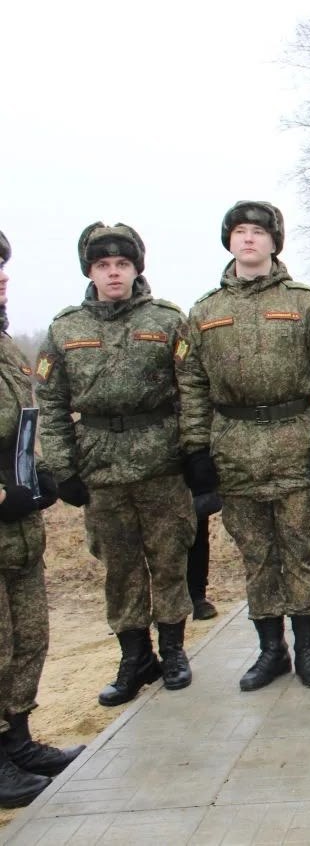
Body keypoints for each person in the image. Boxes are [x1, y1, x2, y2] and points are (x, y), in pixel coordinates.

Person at [176, 201, 310, 692]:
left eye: (258, 232)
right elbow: (191, 384)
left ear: (275, 242)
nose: (248, 240)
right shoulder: (205, 311)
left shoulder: (306, 303)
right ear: (229, 241)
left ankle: (309, 651)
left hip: (295, 440)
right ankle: (271, 651)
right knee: (256, 555)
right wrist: (196, 449)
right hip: (235, 449)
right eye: (239, 232)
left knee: (299, 550)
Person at [36, 223, 197, 706]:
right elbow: (51, 401)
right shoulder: (66, 329)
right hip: (100, 465)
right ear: (90, 271)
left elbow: (191, 390)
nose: (113, 274)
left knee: (169, 559)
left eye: (122, 265)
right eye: (103, 266)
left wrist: (194, 452)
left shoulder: (168, 320)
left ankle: (173, 651)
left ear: (136, 269)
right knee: (119, 568)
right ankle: (134, 658)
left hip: (161, 462)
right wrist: (64, 469)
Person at [0, 230, 83, 808]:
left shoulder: (6, 348)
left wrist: (42, 473)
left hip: (17, 523)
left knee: (28, 635)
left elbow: (28, 421)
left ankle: (16, 740)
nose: (3, 278)